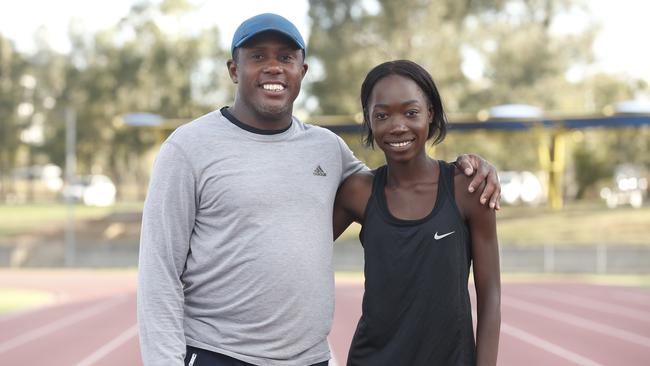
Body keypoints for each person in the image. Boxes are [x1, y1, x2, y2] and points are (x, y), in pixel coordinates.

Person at [137, 13, 501, 366]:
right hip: (220, 353)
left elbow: (396, 179)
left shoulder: (327, 149)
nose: (274, 67)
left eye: (286, 57)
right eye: (257, 56)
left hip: (308, 359)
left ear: (302, 71)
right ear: (234, 69)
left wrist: (475, 167)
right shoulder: (188, 147)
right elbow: (159, 272)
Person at [333, 60, 501, 365]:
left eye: (411, 113)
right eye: (382, 115)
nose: (398, 126)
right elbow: (301, 247)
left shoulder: (468, 189)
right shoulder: (358, 192)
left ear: (430, 114)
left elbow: (490, 297)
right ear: (369, 121)